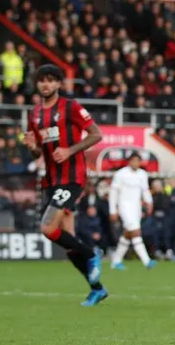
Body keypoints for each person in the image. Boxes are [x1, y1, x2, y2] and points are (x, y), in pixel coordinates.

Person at [23, 64, 107, 307]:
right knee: (68, 241)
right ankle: (97, 289)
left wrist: (70, 150)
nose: (45, 84)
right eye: (42, 80)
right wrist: (32, 148)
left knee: (48, 228)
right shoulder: (35, 114)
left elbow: (96, 134)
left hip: (73, 177)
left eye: (51, 80)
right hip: (51, 180)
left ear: (59, 84)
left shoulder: (70, 107)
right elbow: (37, 152)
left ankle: (93, 255)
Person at [108, 152, 156, 270]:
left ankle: (116, 261)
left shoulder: (143, 174)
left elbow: (145, 190)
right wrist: (112, 210)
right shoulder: (121, 174)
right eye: (133, 160)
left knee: (128, 234)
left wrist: (149, 202)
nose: (135, 163)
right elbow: (113, 193)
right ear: (129, 161)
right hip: (124, 206)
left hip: (136, 208)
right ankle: (147, 261)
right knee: (135, 231)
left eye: (137, 161)